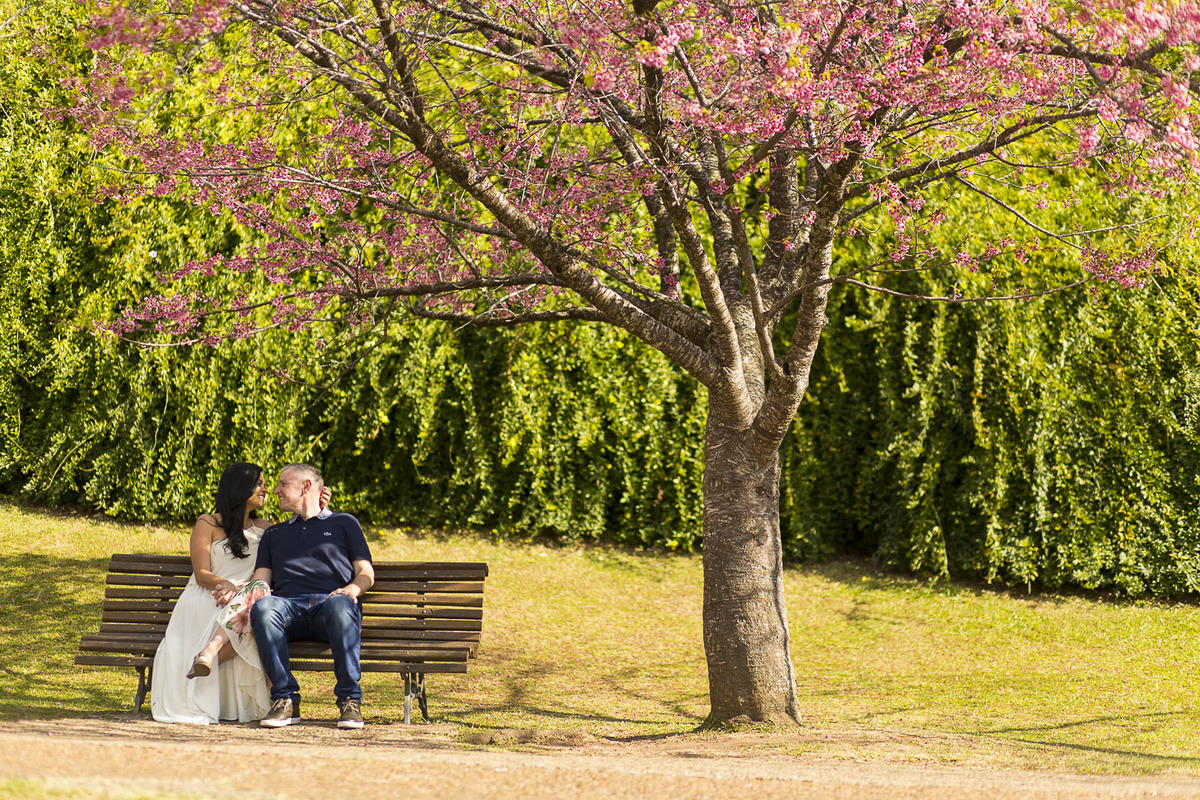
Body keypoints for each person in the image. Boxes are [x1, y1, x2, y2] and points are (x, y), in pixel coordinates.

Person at [250, 463, 374, 729]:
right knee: (264, 607)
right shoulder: (274, 533)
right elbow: (261, 578)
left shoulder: (344, 523)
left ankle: (350, 700)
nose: (276, 490)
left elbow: (366, 572)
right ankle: (285, 700)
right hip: (287, 610)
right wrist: (249, 595)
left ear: (306, 486)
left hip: (330, 607)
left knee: (341, 604)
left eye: (283, 484)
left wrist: (353, 588)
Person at [149, 462, 275, 724]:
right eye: (259, 483)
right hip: (209, 594)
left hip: (246, 598)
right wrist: (225, 585)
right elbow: (201, 572)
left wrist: (321, 504)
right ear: (241, 488)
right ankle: (200, 666)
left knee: (256, 609)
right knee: (246, 614)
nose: (266, 488)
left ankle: (207, 656)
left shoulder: (266, 527)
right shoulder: (207, 523)